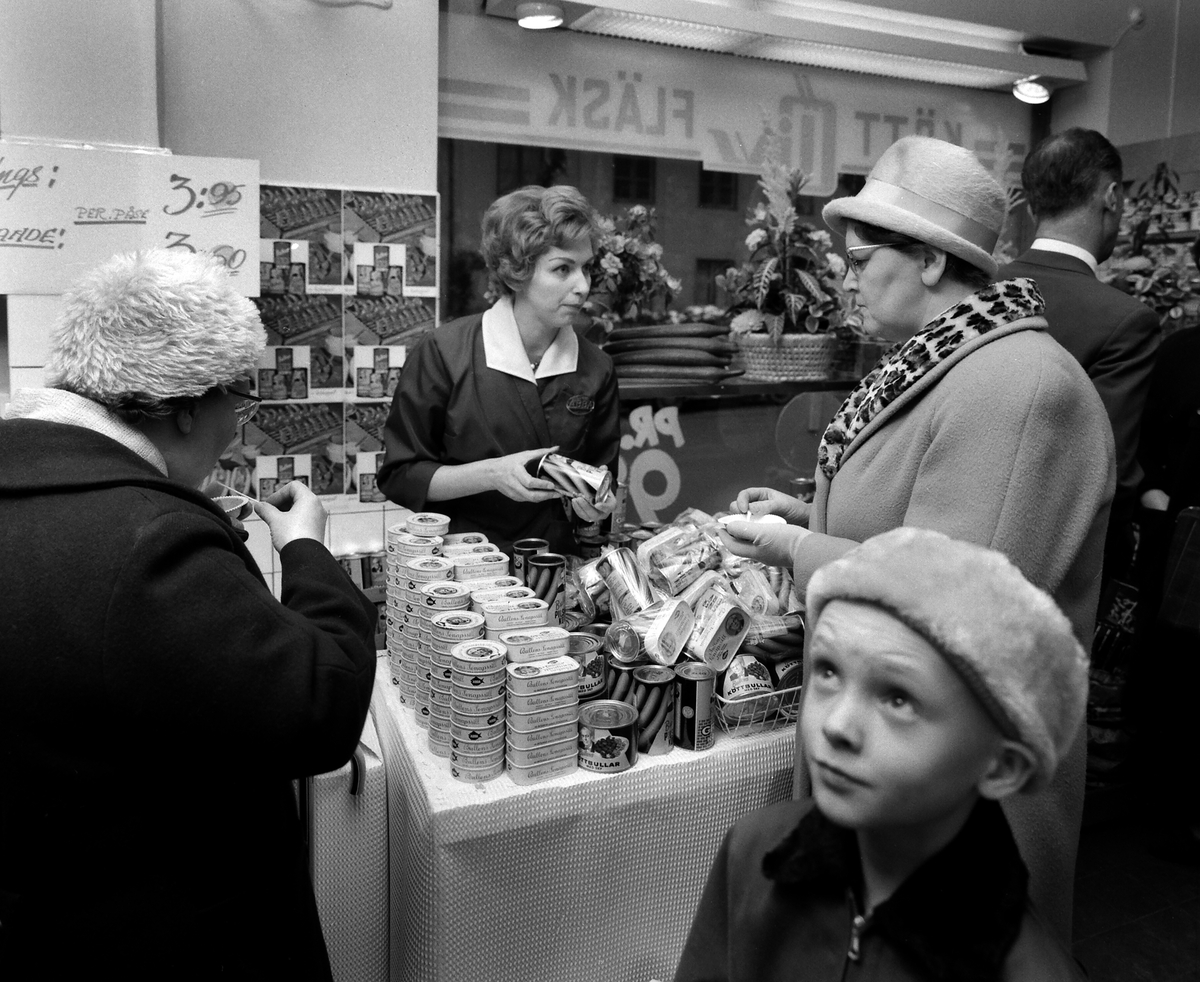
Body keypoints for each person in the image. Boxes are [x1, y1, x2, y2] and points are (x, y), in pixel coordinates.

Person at [720, 135, 1114, 942]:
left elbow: (953, 597)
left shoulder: (1018, 385)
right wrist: (806, 517)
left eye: (862, 257)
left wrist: (792, 551)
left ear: (933, 262)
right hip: (899, 755)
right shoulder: (942, 360)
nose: (847, 277)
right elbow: (912, 524)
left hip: (959, 797)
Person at [0, 250, 379, 980]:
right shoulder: (150, 540)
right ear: (185, 404)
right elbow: (320, 706)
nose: (238, 429)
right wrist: (307, 553)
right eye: (239, 401)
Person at [676, 528, 1089, 982]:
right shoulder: (755, 851)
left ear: (1002, 766)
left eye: (898, 699)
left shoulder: (1028, 971)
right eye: (828, 671)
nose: (836, 726)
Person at [377, 184, 620, 554]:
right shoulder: (445, 353)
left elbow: (602, 482)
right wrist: (493, 474)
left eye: (586, 268)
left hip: (556, 568)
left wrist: (597, 507)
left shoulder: (596, 368)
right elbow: (400, 475)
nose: (583, 286)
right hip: (465, 566)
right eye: (562, 269)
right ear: (516, 272)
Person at [1000, 127, 1161, 583]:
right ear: (1111, 196)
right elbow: (1109, 468)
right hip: (1061, 568)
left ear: (1032, 205)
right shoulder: (1125, 321)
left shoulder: (977, 288)